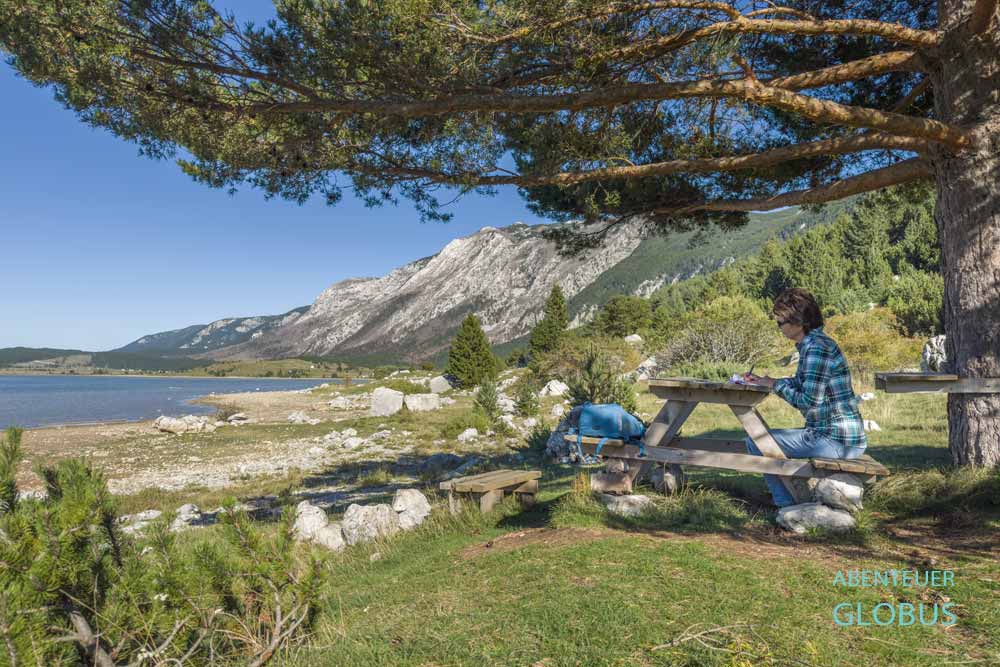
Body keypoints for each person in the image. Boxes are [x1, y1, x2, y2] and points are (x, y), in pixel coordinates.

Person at [746, 288, 867, 507]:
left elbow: (809, 401)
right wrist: (770, 380)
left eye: (780, 322)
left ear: (798, 321)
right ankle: (792, 497)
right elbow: (806, 382)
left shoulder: (816, 349)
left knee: (755, 441)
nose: (779, 327)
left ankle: (787, 504)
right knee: (760, 440)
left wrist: (775, 385)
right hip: (836, 436)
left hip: (834, 439)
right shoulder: (813, 344)